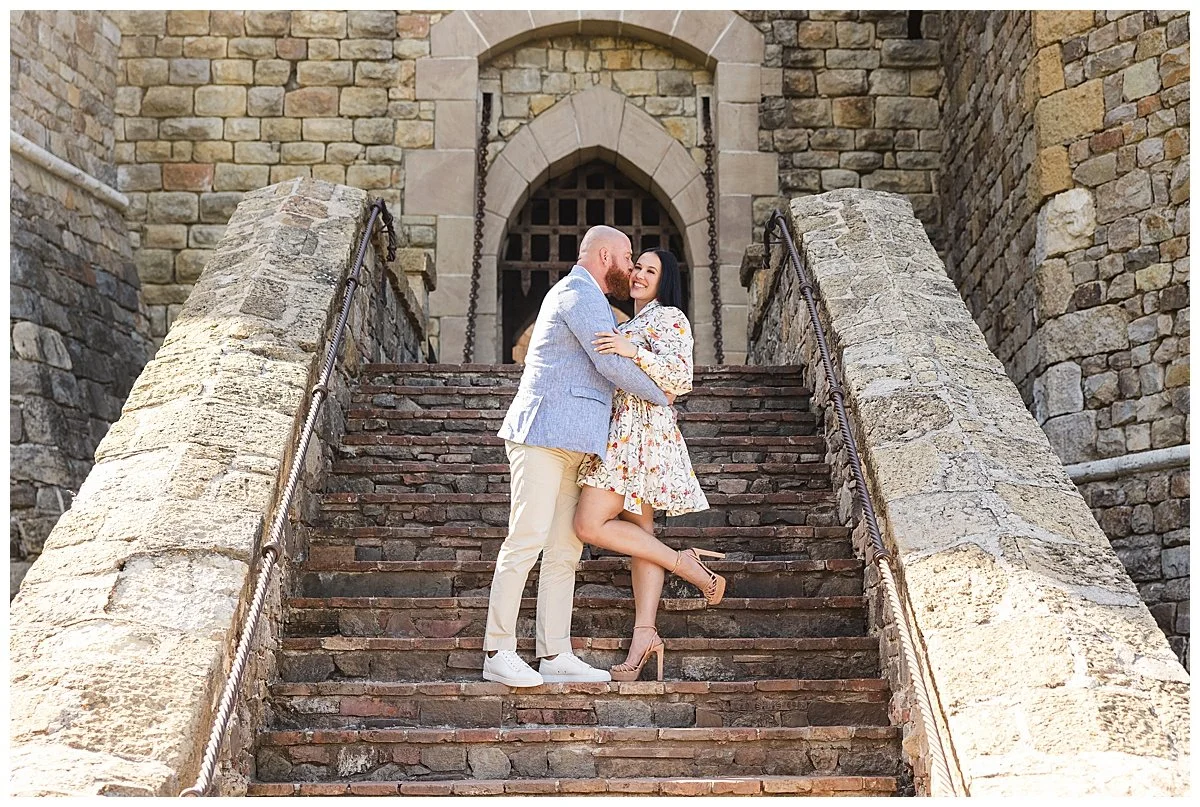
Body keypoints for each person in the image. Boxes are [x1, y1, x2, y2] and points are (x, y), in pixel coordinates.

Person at [482, 225, 671, 688]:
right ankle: (497, 649)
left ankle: (555, 652)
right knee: (526, 538)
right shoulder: (579, 293)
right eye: (628, 259)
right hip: (543, 435)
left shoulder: (589, 296)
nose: (631, 269)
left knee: (564, 550)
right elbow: (609, 362)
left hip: (574, 443)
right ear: (606, 255)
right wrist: (664, 394)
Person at [576, 248, 720, 683]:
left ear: (664, 281)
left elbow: (680, 380)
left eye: (649, 271)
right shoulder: (630, 322)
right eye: (636, 266)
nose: (638, 274)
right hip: (620, 433)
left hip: (641, 437)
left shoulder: (671, 317)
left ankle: (685, 565)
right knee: (641, 537)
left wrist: (631, 350)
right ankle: (645, 636)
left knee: (587, 525)